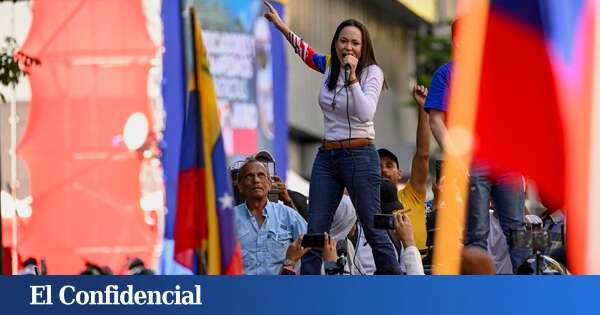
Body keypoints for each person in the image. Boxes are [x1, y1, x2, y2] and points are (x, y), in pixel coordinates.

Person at [264, 1, 401, 275]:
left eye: (354, 43)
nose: (348, 48)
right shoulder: (329, 66)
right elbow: (305, 52)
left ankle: (396, 285)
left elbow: (364, 113)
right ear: (335, 43)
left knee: (372, 227)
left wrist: (352, 79)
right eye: (343, 41)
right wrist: (281, 27)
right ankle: (311, 293)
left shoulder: (371, 72)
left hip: (360, 155)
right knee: (315, 230)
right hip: (327, 156)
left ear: (363, 48)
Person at [424, 20, 528, 271]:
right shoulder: (446, 73)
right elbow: (436, 120)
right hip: (473, 159)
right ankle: (480, 296)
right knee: (477, 231)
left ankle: (529, 292)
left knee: (518, 229)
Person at [378, 84, 429, 251]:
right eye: (378, 167)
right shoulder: (364, 202)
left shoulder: (412, 194)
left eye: (389, 165)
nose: (383, 170)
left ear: (399, 173)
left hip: (421, 270)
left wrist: (422, 108)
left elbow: (422, 154)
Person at [233, 158, 307, 275]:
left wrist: (291, 261)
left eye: (261, 175)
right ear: (240, 186)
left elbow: (312, 244)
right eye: (249, 176)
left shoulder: (288, 215)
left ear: (269, 185)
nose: (256, 180)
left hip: (278, 289)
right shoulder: (229, 219)